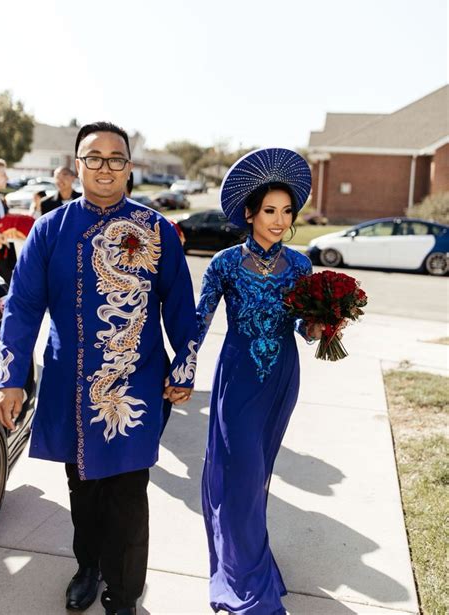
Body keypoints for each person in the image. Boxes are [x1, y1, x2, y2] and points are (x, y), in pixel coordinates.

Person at [0, 121, 198, 615]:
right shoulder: (50, 229)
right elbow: (22, 307)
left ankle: (124, 596)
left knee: (129, 494)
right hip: (70, 382)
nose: (105, 167)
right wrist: (11, 377)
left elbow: (180, 305)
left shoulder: (155, 230)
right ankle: (89, 567)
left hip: (137, 384)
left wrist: (184, 369)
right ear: (78, 164)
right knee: (82, 490)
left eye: (116, 158)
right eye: (94, 157)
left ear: (129, 167)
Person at [196, 148, 325, 615]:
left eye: (286, 211)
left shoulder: (299, 266)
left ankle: (251, 556)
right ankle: (244, 576)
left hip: (281, 379)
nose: (278, 220)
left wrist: (322, 325)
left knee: (258, 475)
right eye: (269, 210)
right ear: (249, 212)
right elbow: (200, 320)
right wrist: (181, 370)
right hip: (237, 378)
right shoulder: (226, 264)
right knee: (241, 472)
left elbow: (303, 328)